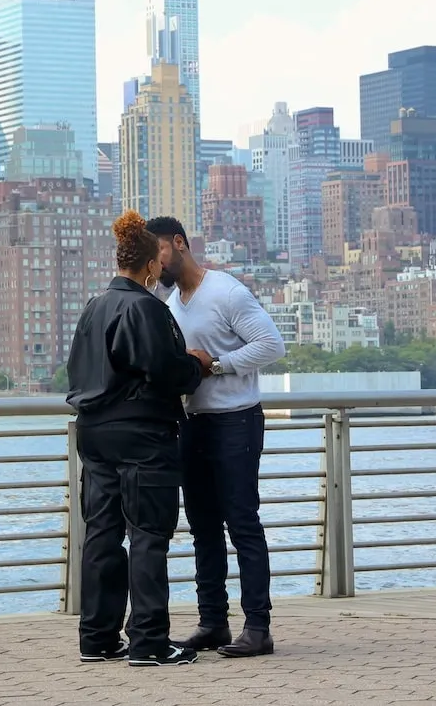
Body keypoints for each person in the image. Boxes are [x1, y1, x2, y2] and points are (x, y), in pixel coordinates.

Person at [65, 210, 207, 667]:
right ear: (149, 266)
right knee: (148, 533)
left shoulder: (94, 305)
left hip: (93, 432)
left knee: (102, 533)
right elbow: (167, 373)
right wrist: (197, 364)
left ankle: (98, 637)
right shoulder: (145, 308)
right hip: (142, 433)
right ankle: (148, 641)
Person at [145, 215, 286, 658]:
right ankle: (213, 623)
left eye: (160, 251)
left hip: (236, 420)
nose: (156, 260)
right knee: (203, 527)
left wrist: (217, 364)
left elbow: (271, 345)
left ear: (180, 244)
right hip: (195, 422)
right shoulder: (170, 304)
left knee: (242, 522)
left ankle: (258, 628)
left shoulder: (226, 291)